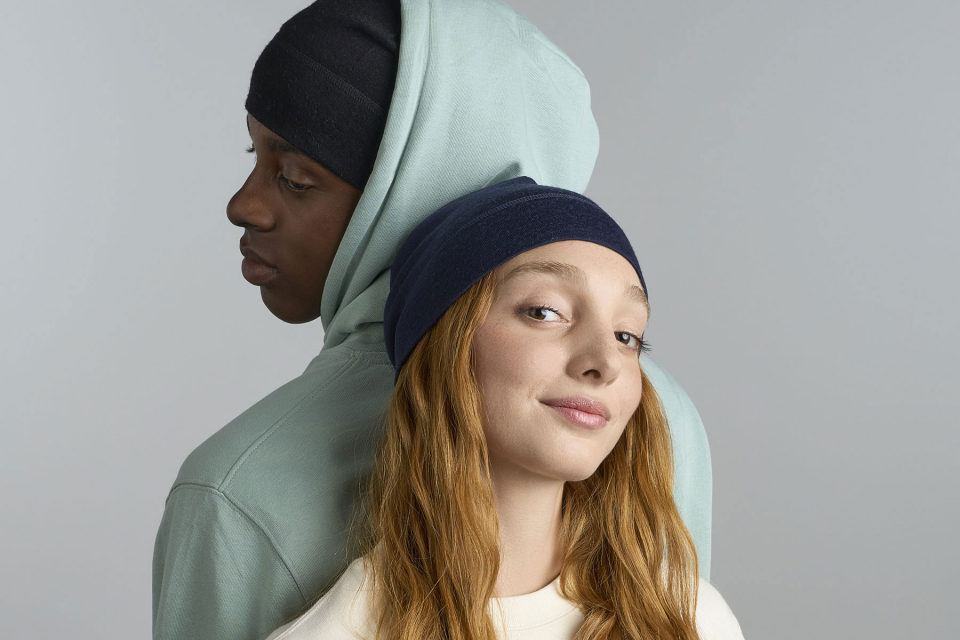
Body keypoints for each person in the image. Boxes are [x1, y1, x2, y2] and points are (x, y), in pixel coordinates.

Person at [152, 2, 713, 639]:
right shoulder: (659, 416)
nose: (242, 205)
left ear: (409, 185)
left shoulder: (238, 485)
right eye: (252, 155)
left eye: (296, 178)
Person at [265, 177, 742, 640]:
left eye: (627, 336)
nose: (605, 362)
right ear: (444, 344)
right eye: (544, 312)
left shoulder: (689, 617)